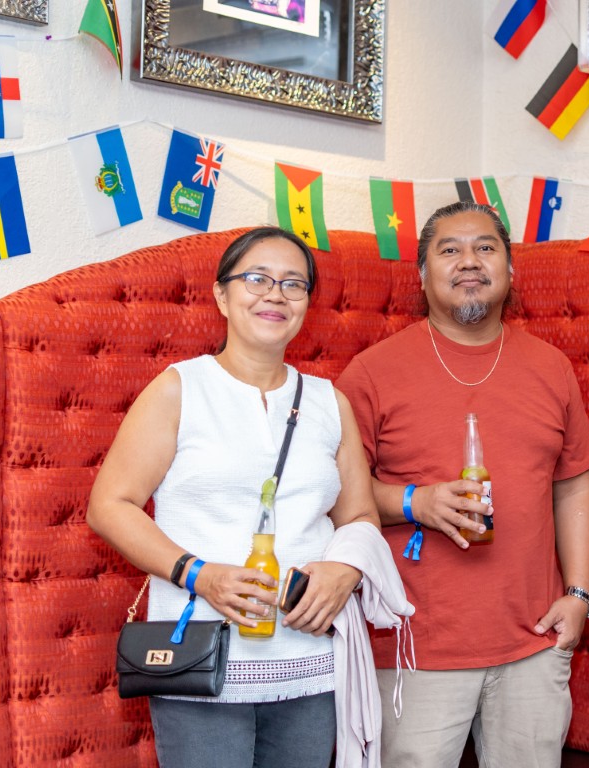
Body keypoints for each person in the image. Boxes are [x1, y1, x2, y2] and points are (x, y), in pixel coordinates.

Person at [88, 227, 382, 768]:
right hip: (201, 659)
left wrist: (346, 571)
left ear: (307, 304)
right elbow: (110, 505)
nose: (276, 294)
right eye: (257, 279)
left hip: (311, 663)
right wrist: (199, 574)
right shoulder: (179, 389)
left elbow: (360, 514)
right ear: (222, 296)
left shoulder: (328, 402)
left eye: (293, 284)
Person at [335, 201, 589, 768]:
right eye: (449, 250)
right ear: (422, 275)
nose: (469, 261)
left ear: (510, 268)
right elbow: (336, 498)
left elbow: (574, 485)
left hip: (535, 643)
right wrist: (417, 501)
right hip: (415, 646)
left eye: (485, 247)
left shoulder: (551, 367)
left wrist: (580, 596)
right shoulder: (372, 372)